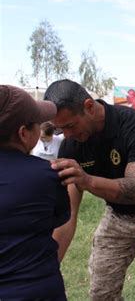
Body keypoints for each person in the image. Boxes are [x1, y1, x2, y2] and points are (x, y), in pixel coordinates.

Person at [44, 79, 135, 301]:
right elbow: (68, 214)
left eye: (70, 126)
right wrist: (48, 268)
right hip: (117, 217)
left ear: (89, 106)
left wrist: (87, 180)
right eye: (60, 128)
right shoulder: (71, 146)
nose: (66, 135)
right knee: (101, 292)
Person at [0, 85, 70, 300]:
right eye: (37, 124)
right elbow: (60, 218)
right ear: (23, 133)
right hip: (36, 290)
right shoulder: (47, 175)